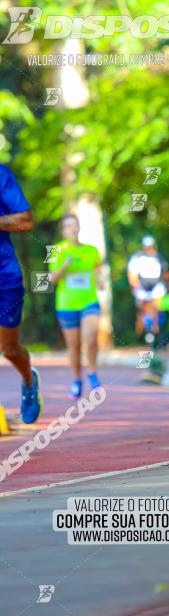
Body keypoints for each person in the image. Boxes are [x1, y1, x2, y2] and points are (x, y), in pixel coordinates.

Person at [0, 164, 42, 423]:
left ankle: (28, 380)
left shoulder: (1, 175)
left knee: (8, 348)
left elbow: (26, 220)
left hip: (4, 277)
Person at [49, 214, 103, 398]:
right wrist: (65, 265)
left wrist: (101, 281)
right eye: (68, 226)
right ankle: (77, 380)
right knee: (74, 346)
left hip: (89, 300)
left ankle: (93, 373)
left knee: (91, 337)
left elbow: (98, 272)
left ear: (79, 227)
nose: (72, 229)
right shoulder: (57, 250)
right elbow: (52, 278)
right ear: (63, 230)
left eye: (75, 225)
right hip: (66, 304)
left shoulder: (92, 250)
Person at [126, 236, 169, 347]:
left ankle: (159, 336)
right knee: (145, 312)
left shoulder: (159, 257)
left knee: (158, 310)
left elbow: (165, 273)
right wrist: (136, 287)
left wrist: (167, 286)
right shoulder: (137, 258)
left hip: (157, 287)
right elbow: (132, 275)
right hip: (142, 288)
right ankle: (147, 334)